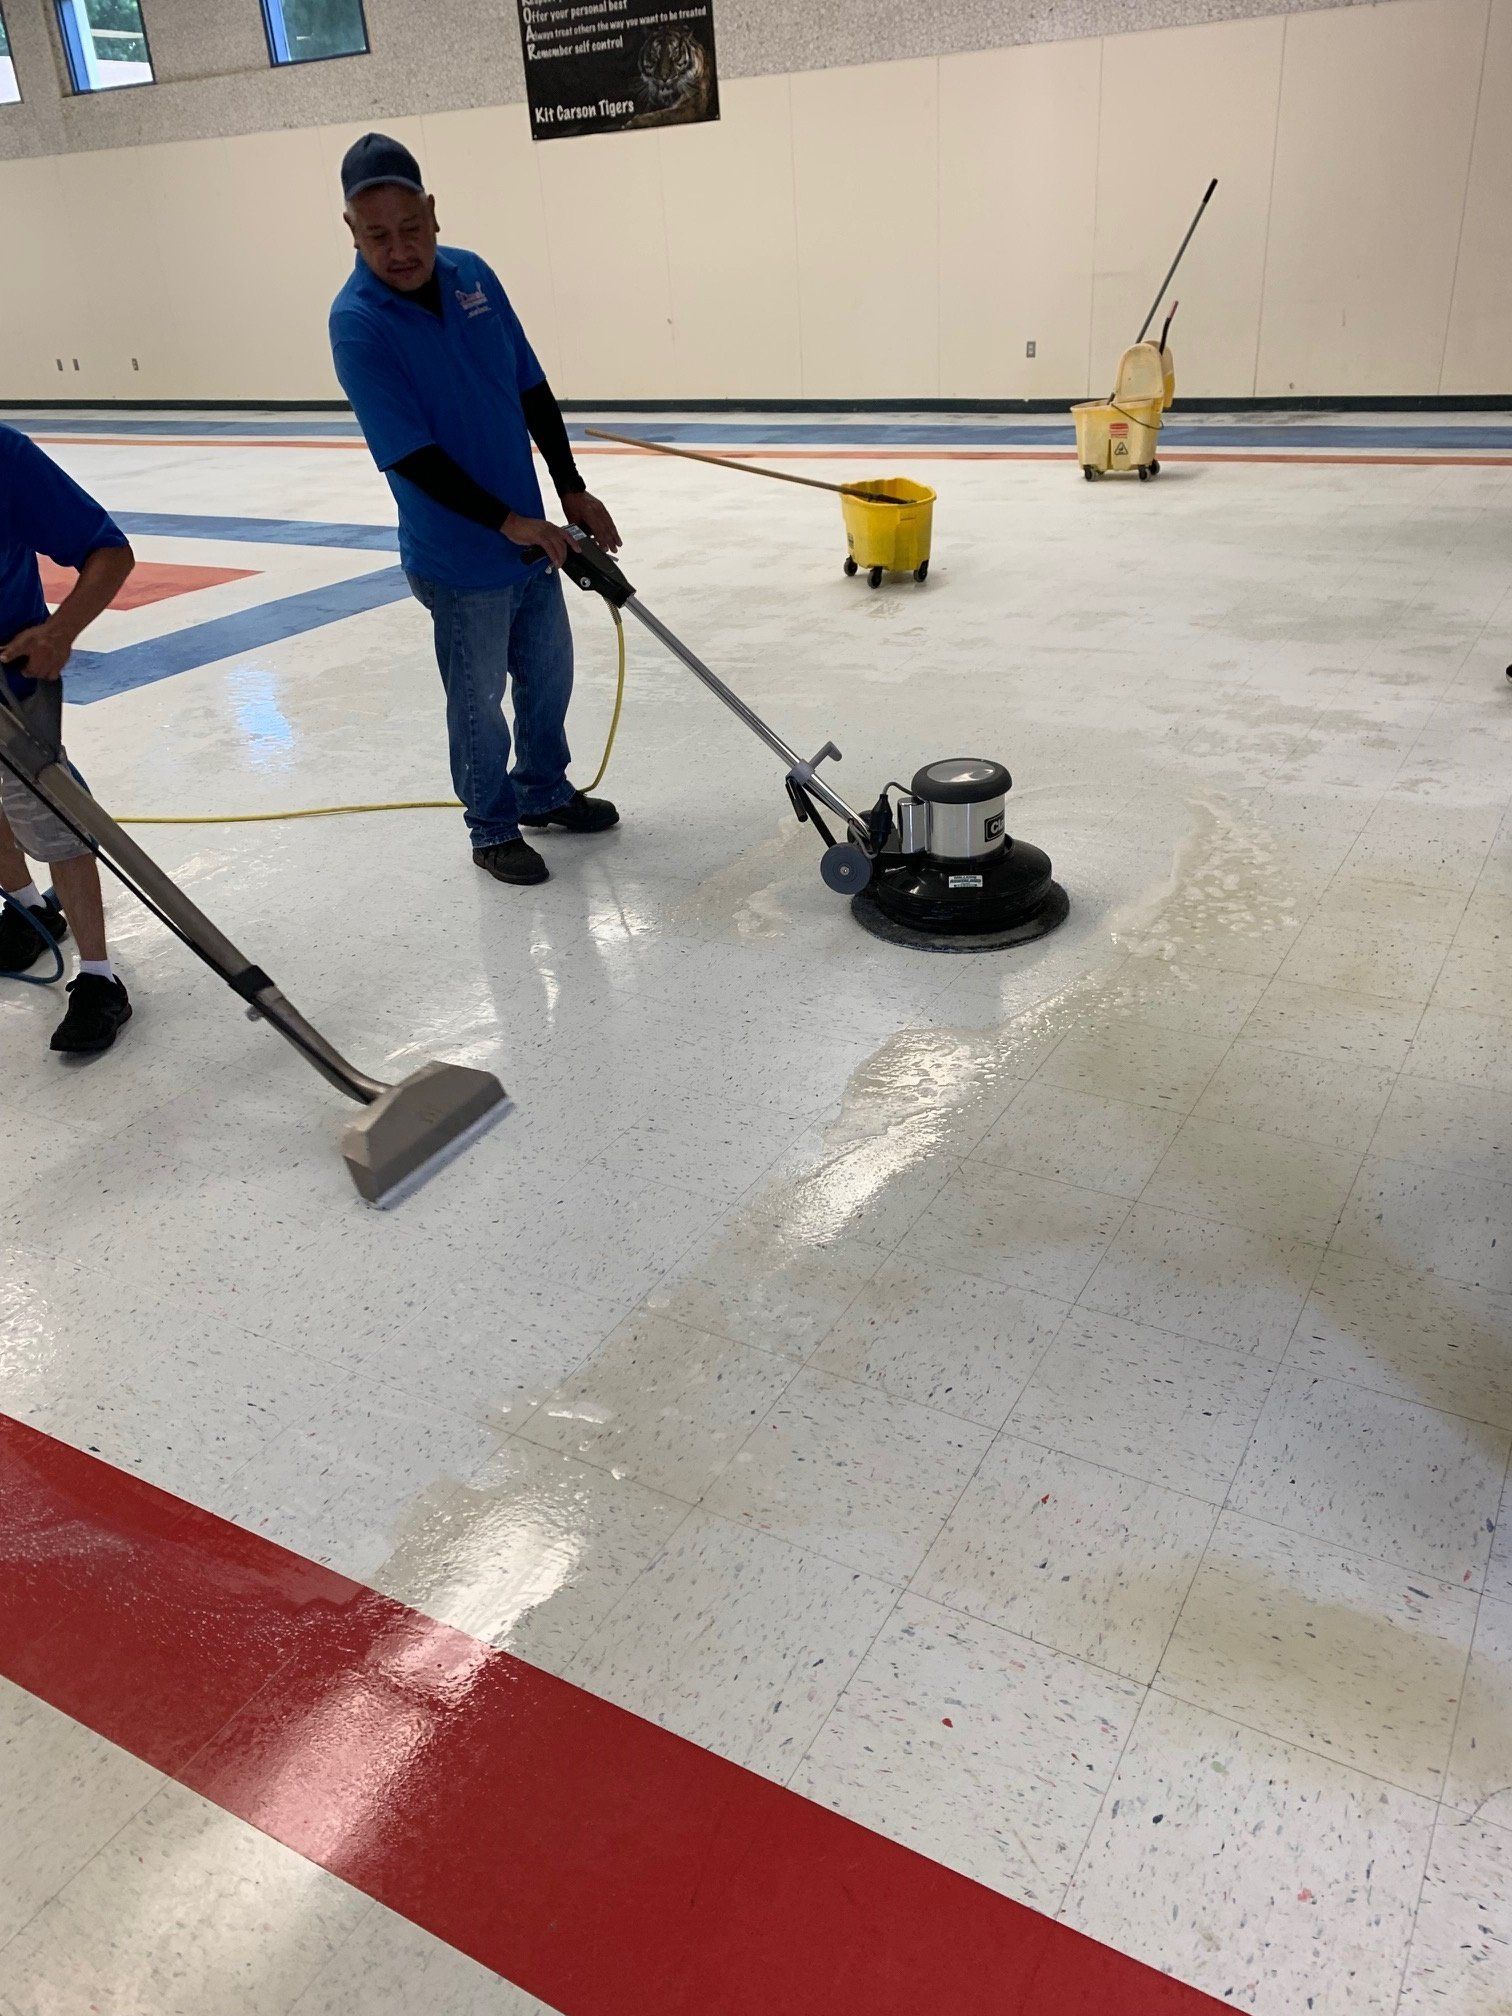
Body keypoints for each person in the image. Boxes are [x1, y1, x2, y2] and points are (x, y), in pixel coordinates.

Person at [329, 132, 621, 888]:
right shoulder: (358, 322)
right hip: (459, 556)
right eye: (377, 236)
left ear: (432, 212)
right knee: (477, 703)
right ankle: (491, 826)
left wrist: (568, 486)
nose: (398, 250)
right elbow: (410, 453)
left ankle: (543, 791)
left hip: (532, 537)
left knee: (547, 678)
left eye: (411, 229)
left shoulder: (473, 276)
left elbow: (529, 385)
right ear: (352, 233)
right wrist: (507, 522)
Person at [0, 426, 135, 1054]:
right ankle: (28, 913)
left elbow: (108, 551)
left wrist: (59, 631)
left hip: (10, 687)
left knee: (53, 819)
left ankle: (100, 977)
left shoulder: (4, 455)